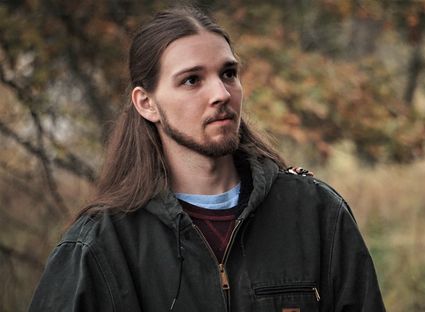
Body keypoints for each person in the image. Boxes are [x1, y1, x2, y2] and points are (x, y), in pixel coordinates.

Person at [29, 7, 385, 312]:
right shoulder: (99, 247)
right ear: (146, 103)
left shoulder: (316, 214)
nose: (221, 93)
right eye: (191, 80)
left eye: (228, 73)